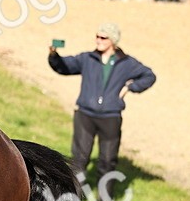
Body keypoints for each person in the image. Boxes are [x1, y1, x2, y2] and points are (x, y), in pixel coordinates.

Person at [48, 22, 156, 191]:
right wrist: (54, 56)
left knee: (107, 160)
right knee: (79, 160)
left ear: (113, 40)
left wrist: (130, 87)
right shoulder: (87, 58)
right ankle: (74, 196)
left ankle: (105, 199)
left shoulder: (127, 63)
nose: (98, 40)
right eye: (97, 36)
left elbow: (149, 76)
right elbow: (64, 67)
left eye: (103, 37)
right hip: (85, 116)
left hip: (110, 118)